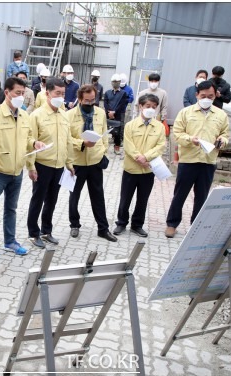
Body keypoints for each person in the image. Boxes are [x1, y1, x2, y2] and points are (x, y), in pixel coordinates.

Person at [0, 77, 46, 260]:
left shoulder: (24, 115)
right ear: (6, 92)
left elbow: (27, 142)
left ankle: (10, 241)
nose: (21, 97)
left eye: (23, 93)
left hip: (17, 172)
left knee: (11, 209)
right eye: (17, 93)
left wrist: (32, 157)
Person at [165, 80, 230, 238]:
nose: (207, 98)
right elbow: (177, 134)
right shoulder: (186, 112)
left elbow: (226, 134)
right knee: (180, 194)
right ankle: (172, 224)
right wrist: (190, 139)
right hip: (188, 160)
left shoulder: (221, 115)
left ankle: (195, 227)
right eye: (203, 96)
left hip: (208, 162)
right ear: (197, 95)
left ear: (215, 96)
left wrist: (222, 141)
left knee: (202, 196)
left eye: (210, 96)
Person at [26, 77, 76, 248]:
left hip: (59, 165)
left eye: (63, 94)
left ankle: (46, 231)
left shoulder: (64, 114)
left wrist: (69, 163)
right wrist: (31, 166)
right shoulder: (37, 115)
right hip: (42, 165)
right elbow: (29, 140)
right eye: (57, 93)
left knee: (52, 200)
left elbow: (68, 140)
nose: (61, 97)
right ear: (47, 93)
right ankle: (33, 233)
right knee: (38, 199)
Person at [66, 85, 117, 242]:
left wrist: (103, 152)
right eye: (87, 100)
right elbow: (67, 138)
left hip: (95, 161)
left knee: (98, 196)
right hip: (77, 162)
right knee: (74, 196)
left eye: (93, 100)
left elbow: (104, 135)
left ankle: (103, 229)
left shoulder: (100, 113)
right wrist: (82, 143)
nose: (90, 103)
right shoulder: (69, 115)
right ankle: (74, 224)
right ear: (80, 99)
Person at [113, 94, 166, 238]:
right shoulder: (130, 125)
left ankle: (137, 225)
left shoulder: (160, 127)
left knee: (143, 199)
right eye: (148, 106)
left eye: (154, 107)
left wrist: (146, 157)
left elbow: (161, 146)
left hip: (148, 170)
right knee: (125, 198)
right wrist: (139, 157)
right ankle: (121, 223)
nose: (150, 109)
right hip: (131, 169)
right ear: (140, 106)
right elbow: (128, 145)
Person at [104, 74, 129, 154]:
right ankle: (104, 146)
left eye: (117, 82)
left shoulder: (123, 93)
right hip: (108, 114)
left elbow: (122, 104)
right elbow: (105, 103)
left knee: (117, 132)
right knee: (106, 130)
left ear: (119, 82)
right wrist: (109, 112)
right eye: (114, 82)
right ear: (111, 82)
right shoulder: (107, 92)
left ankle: (117, 147)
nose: (115, 83)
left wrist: (114, 112)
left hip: (118, 115)